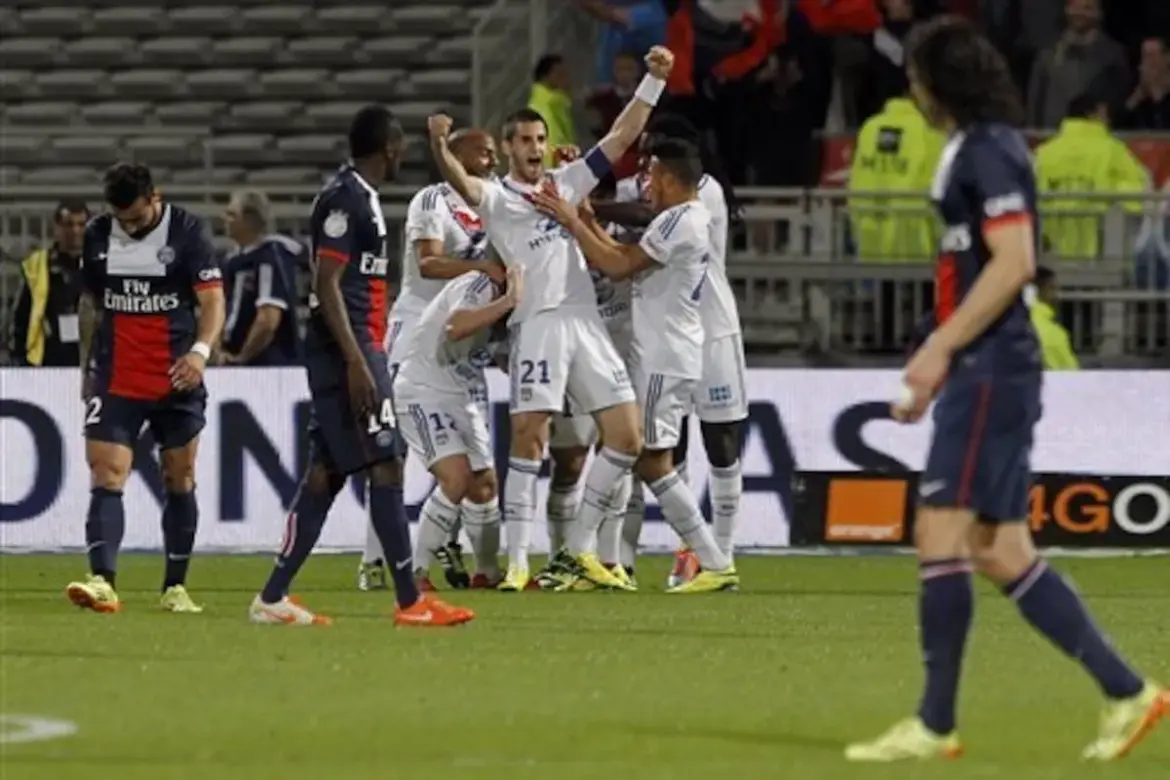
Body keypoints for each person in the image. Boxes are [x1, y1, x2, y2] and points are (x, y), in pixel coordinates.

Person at [846, 17, 1166, 762]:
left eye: (917, 75)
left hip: (992, 364)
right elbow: (972, 267)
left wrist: (941, 350)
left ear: (938, 81)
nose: (910, 87)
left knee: (941, 533)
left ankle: (934, 723)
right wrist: (941, 354)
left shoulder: (988, 150)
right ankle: (1129, 692)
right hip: (984, 365)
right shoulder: (975, 147)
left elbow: (1014, 260)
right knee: (999, 548)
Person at [428, 45, 675, 592]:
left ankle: (577, 550)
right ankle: (518, 564)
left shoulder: (566, 185)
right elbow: (459, 182)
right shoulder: (495, 197)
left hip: (585, 322)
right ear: (509, 147)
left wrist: (653, 82)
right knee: (529, 440)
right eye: (524, 141)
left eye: (540, 140)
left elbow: (621, 137)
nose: (535, 148)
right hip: (537, 323)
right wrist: (439, 145)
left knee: (627, 436)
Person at [249, 105, 473, 627]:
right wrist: (356, 361)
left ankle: (272, 597)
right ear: (390, 149)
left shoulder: (359, 196)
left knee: (325, 474)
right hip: (345, 351)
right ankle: (409, 602)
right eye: (401, 148)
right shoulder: (344, 199)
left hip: (357, 344)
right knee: (387, 463)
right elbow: (327, 283)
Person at [531, 137, 738, 594]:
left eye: (652, 177)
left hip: (665, 355)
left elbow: (617, 264)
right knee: (640, 456)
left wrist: (570, 217)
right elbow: (615, 253)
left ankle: (706, 560)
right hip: (670, 353)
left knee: (643, 456)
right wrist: (582, 212)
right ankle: (590, 554)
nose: (647, 185)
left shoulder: (679, 221)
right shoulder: (689, 218)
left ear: (667, 178)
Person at [66, 164, 225, 614]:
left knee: (179, 476)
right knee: (107, 472)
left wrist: (200, 351)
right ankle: (102, 581)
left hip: (177, 375)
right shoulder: (100, 234)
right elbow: (91, 303)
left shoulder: (188, 231)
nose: (130, 228)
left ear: (156, 197)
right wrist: (85, 367)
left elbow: (212, 300)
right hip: (117, 374)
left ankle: (175, 586)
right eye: (123, 221)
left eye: (136, 218)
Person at [357, 128, 500, 592]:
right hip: (415, 333)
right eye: (484, 152)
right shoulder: (432, 200)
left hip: (463, 344)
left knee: (469, 459)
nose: (492, 160)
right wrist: (485, 270)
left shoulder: (495, 202)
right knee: (394, 449)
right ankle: (374, 558)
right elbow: (429, 264)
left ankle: (452, 546)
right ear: (455, 157)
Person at [393, 260, 521, 593]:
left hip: (460, 394)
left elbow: (503, 358)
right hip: (423, 390)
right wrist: (507, 302)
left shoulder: (517, 305)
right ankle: (416, 574)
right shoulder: (478, 284)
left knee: (484, 486)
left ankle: (487, 573)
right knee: (456, 477)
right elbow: (455, 327)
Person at [1033, 88, 1149, 259]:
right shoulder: (1112, 150)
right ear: (1094, 114)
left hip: (1051, 257)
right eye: (1104, 113)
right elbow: (1141, 190)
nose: (1108, 118)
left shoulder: (1043, 153)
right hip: (1099, 259)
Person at [220, 189, 302, 367]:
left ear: (250, 219)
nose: (225, 219)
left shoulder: (269, 256)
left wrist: (243, 357)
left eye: (232, 214)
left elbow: (268, 318)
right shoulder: (232, 260)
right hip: (232, 358)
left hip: (268, 363)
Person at [10, 199, 89, 367]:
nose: (75, 230)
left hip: (92, 360)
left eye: (81, 224)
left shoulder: (102, 265)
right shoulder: (36, 265)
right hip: (48, 360)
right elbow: (20, 320)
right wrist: (19, 360)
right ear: (57, 228)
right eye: (68, 224)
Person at [528, 54, 577, 167]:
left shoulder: (559, 104)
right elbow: (553, 144)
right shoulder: (545, 107)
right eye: (560, 74)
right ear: (545, 77)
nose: (566, 78)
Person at [1028, 265, 1080, 370]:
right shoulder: (1055, 334)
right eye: (1053, 289)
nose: (1058, 295)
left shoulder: (1008, 326)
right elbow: (1074, 375)